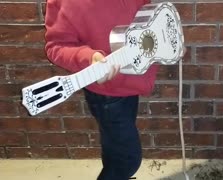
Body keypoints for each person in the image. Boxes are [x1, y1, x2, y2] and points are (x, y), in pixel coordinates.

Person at [44, 0, 158, 179]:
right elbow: (56, 46)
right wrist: (89, 58)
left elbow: (147, 13)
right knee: (127, 159)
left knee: (114, 147)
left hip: (131, 84)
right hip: (107, 95)